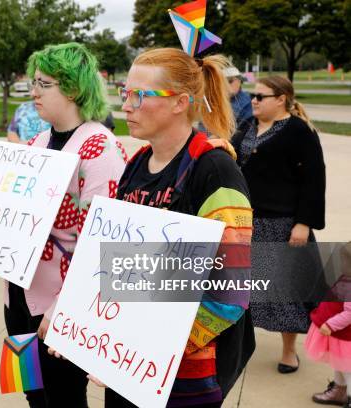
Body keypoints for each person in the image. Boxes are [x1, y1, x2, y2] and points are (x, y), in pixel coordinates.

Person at [0, 42, 127, 408]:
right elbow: (18, 214)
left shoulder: (100, 149)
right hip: (18, 300)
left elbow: (103, 245)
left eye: (44, 83)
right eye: (33, 82)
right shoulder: (37, 140)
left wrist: (66, 306)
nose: (34, 91)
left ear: (73, 88)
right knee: (32, 391)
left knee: (64, 398)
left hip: (59, 305)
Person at [104, 48, 255, 408]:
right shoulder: (136, 164)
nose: (126, 105)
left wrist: (154, 347)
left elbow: (231, 292)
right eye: (125, 93)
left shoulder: (214, 171)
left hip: (184, 372)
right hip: (126, 357)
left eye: (139, 95)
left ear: (179, 103)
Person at [231, 75, 326, 374]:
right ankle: (238, 347)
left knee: (285, 293)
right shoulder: (247, 127)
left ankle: (289, 351)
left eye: (260, 96)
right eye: (253, 96)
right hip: (246, 220)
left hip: (281, 223)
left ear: (281, 99)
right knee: (241, 289)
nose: (254, 101)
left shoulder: (300, 132)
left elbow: (314, 180)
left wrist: (304, 223)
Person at [305, 243, 351, 408]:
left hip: (345, 336)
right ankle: (339, 391)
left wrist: (330, 325)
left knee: (348, 370)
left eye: (346, 262)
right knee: (341, 365)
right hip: (340, 336)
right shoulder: (347, 278)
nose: (342, 265)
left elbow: (350, 313)